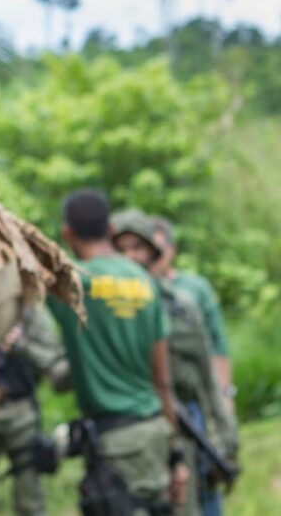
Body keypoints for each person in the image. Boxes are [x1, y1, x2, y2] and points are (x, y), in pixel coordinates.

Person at [45, 190, 187, 513]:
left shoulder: (71, 284)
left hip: (114, 445)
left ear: (68, 232)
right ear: (110, 227)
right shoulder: (145, 281)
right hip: (154, 433)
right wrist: (175, 451)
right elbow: (162, 379)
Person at [113, 211, 237, 516]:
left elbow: (207, 370)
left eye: (137, 247)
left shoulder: (182, 306)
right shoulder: (105, 305)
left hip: (183, 420)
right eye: (122, 248)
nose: (129, 257)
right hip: (128, 430)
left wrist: (226, 431)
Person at [0, 306, 70, 515]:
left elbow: (56, 366)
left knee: (30, 499)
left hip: (21, 412)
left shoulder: (32, 314)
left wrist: (22, 346)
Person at [149, 216, 235, 413]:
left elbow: (217, 343)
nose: (151, 256)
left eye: (158, 250)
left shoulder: (196, 287)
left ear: (172, 250)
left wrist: (226, 394)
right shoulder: (139, 290)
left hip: (197, 392)